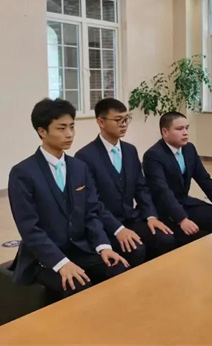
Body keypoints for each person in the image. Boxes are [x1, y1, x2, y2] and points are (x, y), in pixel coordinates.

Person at [8, 98, 129, 299]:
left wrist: (103, 246)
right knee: (78, 284)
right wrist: (62, 263)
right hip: (44, 258)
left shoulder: (79, 167)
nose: (70, 134)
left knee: (118, 268)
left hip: (79, 248)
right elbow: (30, 228)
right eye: (61, 128)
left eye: (72, 127)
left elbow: (91, 213)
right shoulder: (23, 173)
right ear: (42, 131)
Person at [75, 98, 178, 266]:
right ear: (101, 122)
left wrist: (151, 216)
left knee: (165, 238)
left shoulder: (130, 150)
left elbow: (141, 188)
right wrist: (118, 229)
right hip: (106, 225)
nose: (124, 124)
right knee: (135, 249)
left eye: (126, 119)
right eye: (118, 120)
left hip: (132, 219)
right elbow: (93, 202)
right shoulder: (85, 157)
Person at [142, 112, 212, 245]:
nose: (185, 133)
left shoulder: (189, 149)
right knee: (196, 236)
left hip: (185, 202)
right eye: (179, 129)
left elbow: (204, 179)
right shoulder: (153, 155)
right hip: (164, 209)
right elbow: (162, 191)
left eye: (187, 128)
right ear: (165, 132)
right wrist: (182, 219)